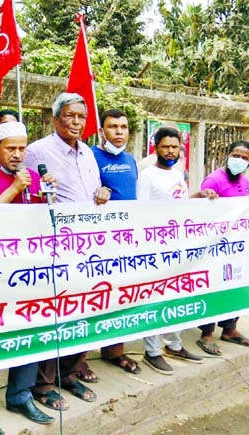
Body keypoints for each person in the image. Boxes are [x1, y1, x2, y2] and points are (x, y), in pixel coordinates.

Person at [23, 92, 111, 409]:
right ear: (56, 118)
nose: (76, 123)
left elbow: (95, 190)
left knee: (85, 308)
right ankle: (43, 384)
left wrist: (104, 191)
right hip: (55, 245)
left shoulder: (88, 152)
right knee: (55, 313)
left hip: (89, 246)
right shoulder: (37, 152)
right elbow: (31, 196)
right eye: (70, 116)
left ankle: (70, 373)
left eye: (81, 117)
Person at [0, 121, 56, 435]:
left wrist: (48, 196)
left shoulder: (32, 177)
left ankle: (20, 395)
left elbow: (42, 218)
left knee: (29, 334)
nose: (18, 154)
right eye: (11, 148)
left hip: (29, 270)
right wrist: (15, 188)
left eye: (22, 148)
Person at [137, 126, 215, 375]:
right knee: (154, 298)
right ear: (155, 147)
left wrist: (199, 195)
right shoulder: (147, 176)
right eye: (165, 147)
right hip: (155, 247)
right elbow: (141, 213)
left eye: (174, 147)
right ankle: (152, 352)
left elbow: (178, 204)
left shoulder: (177, 173)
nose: (170, 151)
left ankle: (174, 344)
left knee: (176, 296)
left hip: (178, 246)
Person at [195, 141, 249, 355]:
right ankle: (206, 333)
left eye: (244, 157)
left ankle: (230, 329)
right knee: (213, 286)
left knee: (235, 282)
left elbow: (245, 211)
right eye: (235, 155)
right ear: (227, 155)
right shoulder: (214, 179)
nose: (239, 160)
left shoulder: (245, 181)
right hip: (215, 245)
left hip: (236, 245)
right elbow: (201, 212)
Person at [91, 108, 142, 375]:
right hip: (100, 240)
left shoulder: (131, 160)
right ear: (102, 131)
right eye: (113, 127)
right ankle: (79, 360)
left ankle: (115, 351)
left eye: (123, 127)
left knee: (122, 295)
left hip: (127, 239)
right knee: (95, 294)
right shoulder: (90, 156)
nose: (119, 132)